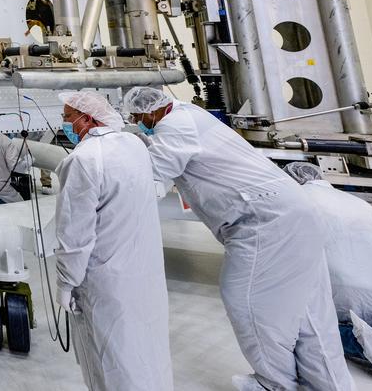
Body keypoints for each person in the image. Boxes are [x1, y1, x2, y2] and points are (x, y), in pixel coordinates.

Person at [125, 86, 354, 391]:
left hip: (261, 221)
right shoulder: (187, 114)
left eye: (137, 116)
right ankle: (328, 385)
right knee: (310, 312)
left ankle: (278, 384)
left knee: (247, 303)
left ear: (151, 111)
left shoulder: (175, 126)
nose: (136, 121)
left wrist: (118, 150)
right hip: (291, 210)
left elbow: (151, 171)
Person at [55, 91, 172, 391]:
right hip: (143, 273)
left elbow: (75, 234)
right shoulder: (133, 145)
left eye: (68, 118)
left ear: (87, 119)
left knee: (109, 359)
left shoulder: (83, 160)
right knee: (147, 353)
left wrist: (67, 282)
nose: (65, 123)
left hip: (105, 280)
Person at [284, 161, 372, 382]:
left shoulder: (297, 202)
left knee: (303, 331)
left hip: (340, 299)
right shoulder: (361, 204)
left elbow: (285, 258)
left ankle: (361, 342)